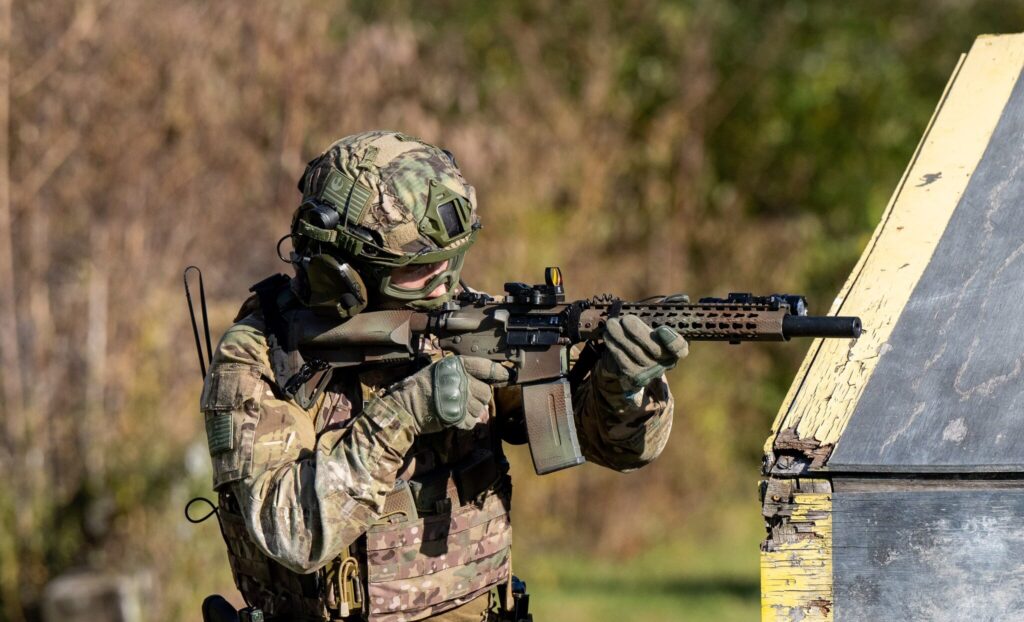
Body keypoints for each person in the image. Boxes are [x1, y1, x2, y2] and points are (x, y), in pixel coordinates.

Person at [200, 130, 687, 622]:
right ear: (342, 271)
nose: (444, 283)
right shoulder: (262, 355)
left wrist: (622, 387)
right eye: (419, 268)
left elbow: (612, 447)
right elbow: (292, 533)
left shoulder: (460, 317)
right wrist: (405, 412)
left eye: (452, 260)